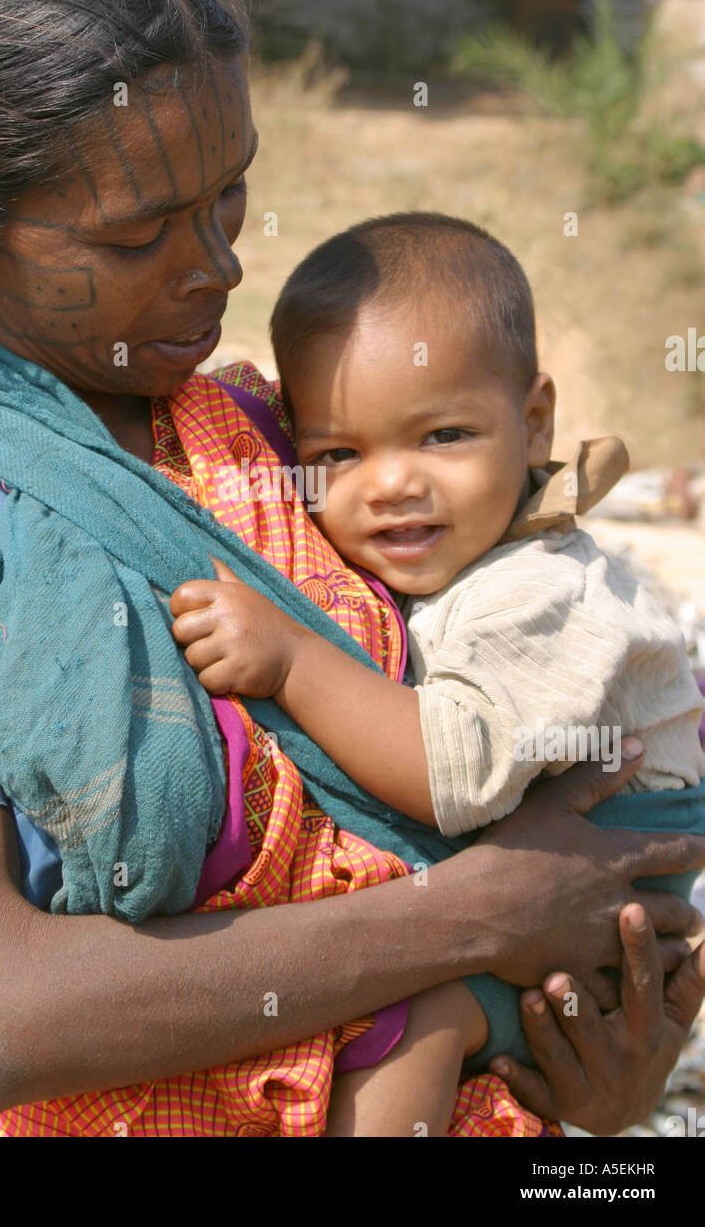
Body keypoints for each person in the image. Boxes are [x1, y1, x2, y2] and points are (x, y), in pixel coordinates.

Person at [0, 0, 704, 1140]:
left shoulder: (269, 422)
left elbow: (530, 726)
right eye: (138, 238)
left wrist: (587, 1039)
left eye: (229, 194)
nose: (219, 265)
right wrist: (477, 915)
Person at [170, 212, 705, 1135]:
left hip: (609, 924)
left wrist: (292, 661)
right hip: (548, 899)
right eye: (340, 453)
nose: (391, 485)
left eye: (445, 435)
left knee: (415, 1018)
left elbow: (452, 772)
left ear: (533, 424)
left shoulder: (541, 589)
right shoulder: (454, 562)